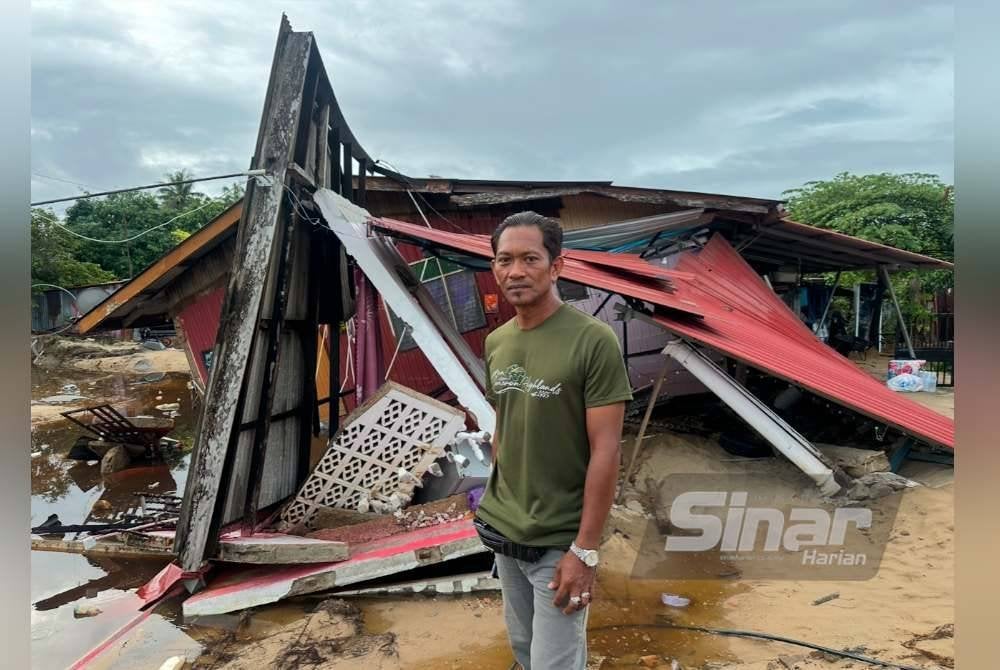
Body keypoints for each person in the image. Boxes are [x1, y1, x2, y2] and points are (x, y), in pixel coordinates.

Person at [473, 211, 633, 669]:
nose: (515, 271)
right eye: (504, 260)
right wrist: (495, 496)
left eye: (530, 258)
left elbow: (607, 450)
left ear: (556, 266)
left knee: (554, 663)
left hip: (558, 538)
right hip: (505, 530)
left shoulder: (592, 341)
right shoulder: (497, 342)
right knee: (524, 652)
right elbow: (505, 422)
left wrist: (584, 549)